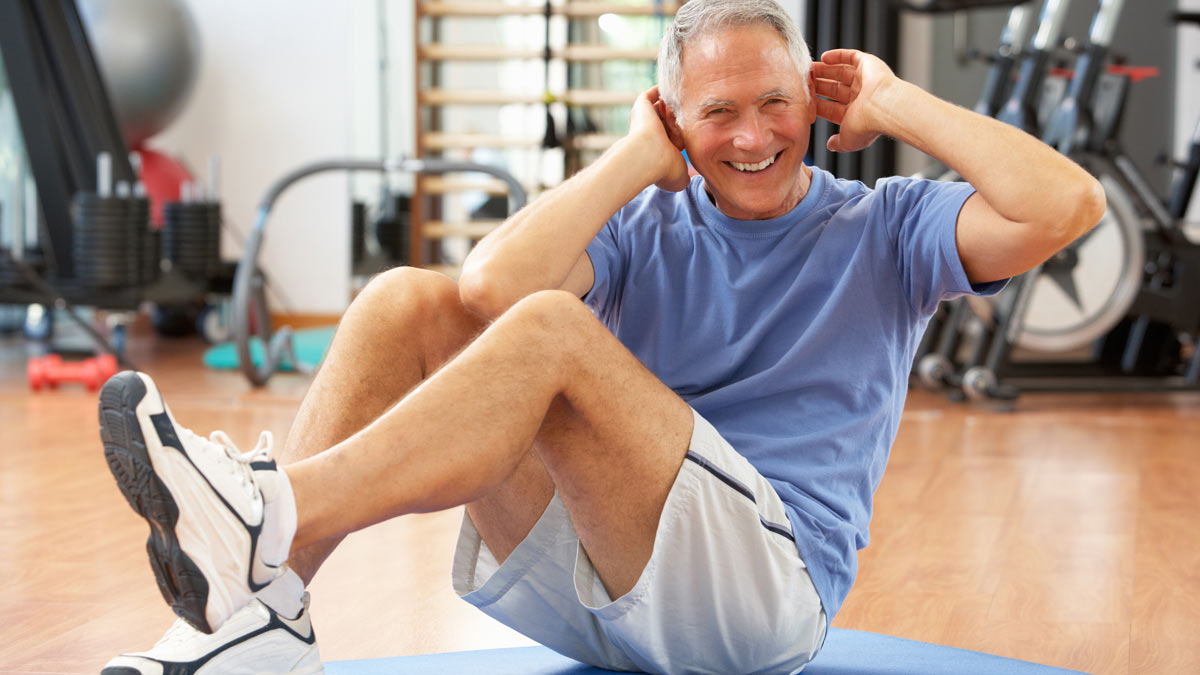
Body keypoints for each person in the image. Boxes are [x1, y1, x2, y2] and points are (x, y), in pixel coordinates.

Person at [98, 1, 1105, 673]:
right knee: (407, 299)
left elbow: (1068, 205)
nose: (752, 135)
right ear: (674, 119)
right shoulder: (644, 221)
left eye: (774, 103)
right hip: (601, 587)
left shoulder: (889, 226)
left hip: (756, 604)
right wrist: (633, 159)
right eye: (717, 112)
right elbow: (486, 283)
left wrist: (898, 104)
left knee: (553, 333)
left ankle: (264, 510)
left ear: (815, 100)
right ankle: (242, 628)